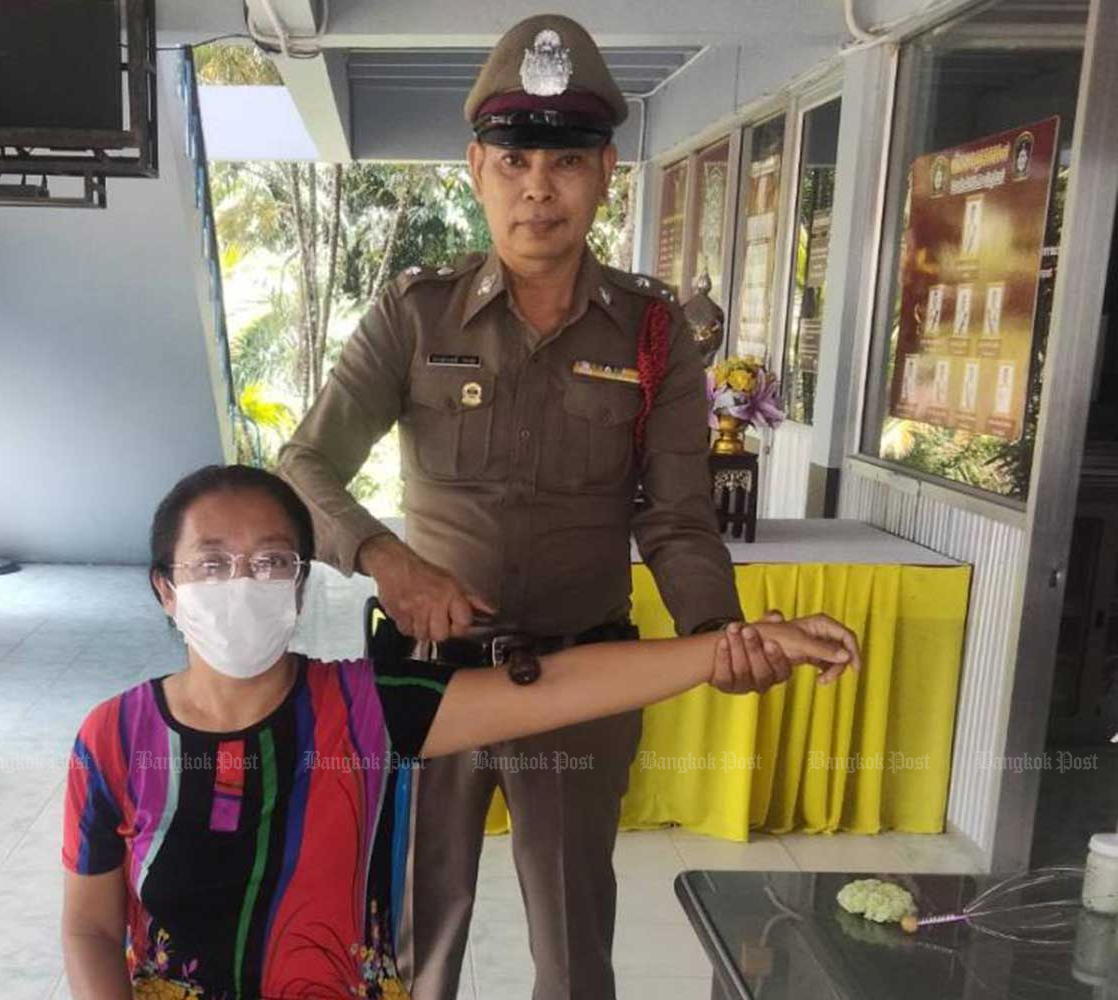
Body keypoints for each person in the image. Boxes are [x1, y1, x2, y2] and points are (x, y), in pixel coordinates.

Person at [276, 13, 860, 1000]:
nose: (536, 185)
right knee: (413, 940)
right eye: (512, 158)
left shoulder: (653, 331)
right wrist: (385, 558)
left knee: (575, 945)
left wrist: (717, 635)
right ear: (475, 166)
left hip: (583, 676)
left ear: (604, 172)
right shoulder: (413, 316)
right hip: (434, 681)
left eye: (564, 159)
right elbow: (303, 462)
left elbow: (674, 514)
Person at [60, 465, 858, 1000]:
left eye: (272, 562)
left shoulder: (368, 710)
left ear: (300, 590)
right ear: (167, 589)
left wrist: (730, 647)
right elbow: (91, 926)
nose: (244, 583)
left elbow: (558, 687)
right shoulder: (113, 741)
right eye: (212, 563)